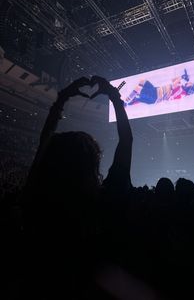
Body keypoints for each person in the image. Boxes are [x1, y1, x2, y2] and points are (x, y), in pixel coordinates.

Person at [21, 76, 133, 298]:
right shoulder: (104, 202)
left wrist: (61, 99)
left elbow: (45, 140)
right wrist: (115, 98)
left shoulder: (37, 196)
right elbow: (126, 141)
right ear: (94, 162)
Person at [124, 69, 194, 106]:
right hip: (155, 91)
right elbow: (173, 80)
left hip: (155, 96)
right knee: (143, 81)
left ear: (190, 87)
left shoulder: (181, 91)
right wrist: (181, 77)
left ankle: (126, 102)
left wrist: (182, 77)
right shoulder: (181, 88)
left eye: (191, 84)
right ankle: (132, 99)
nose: (190, 82)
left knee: (138, 89)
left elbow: (173, 86)